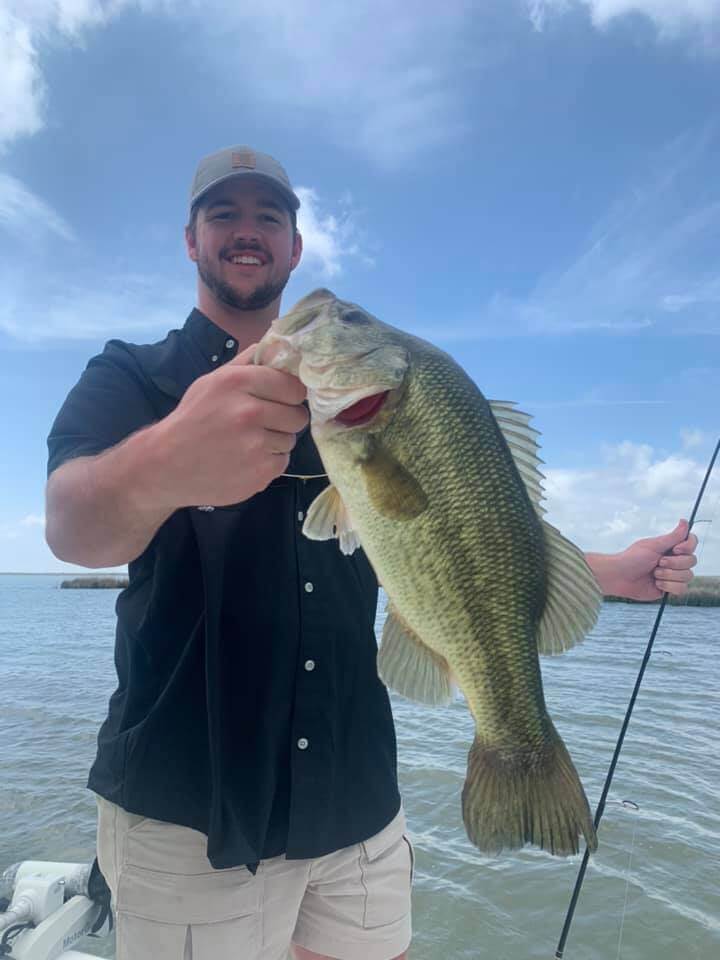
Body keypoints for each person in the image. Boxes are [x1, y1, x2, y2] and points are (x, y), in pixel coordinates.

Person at [45, 146, 698, 960]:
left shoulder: (354, 408)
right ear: (190, 241)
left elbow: (458, 544)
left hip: (355, 799)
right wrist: (171, 454)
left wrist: (608, 573)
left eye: (268, 218)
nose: (246, 233)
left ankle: (519, 748)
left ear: (294, 246)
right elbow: (71, 528)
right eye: (224, 216)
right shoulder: (133, 377)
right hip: (194, 808)